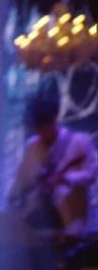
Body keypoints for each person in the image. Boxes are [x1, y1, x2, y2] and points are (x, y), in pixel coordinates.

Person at [8, 95, 97, 237]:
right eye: (37, 128)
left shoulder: (79, 141)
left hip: (72, 217)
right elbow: (21, 178)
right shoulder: (33, 146)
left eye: (43, 127)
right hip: (40, 214)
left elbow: (91, 174)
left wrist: (66, 178)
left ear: (53, 121)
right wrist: (13, 198)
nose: (40, 133)